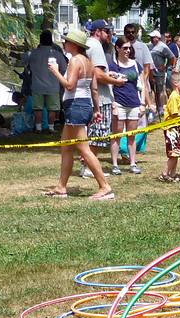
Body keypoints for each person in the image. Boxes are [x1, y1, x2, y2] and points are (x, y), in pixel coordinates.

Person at [44, 28, 114, 200]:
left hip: (75, 106)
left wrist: (55, 72)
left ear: (73, 44)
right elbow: (94, 89)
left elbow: (69, 85)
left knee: (84, 149)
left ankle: (105, 187)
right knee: (66, 147)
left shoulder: (75, 61)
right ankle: (61, 187)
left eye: (66, 41)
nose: (64, 44)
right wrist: (96, 109)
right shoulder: (89, 62)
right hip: (83, 106)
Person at [83, 20, 125, 177]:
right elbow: (98, 75)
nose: (110, 35)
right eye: (107, 31)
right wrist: (116, 82)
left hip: (90, 97)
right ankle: (88, 168)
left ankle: (87, 166)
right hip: (100, 99)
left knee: (92, 135)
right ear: (97, 32)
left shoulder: (88, 45)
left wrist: (109, 75)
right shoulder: (96, 46)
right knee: (97, 136)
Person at [109, 36, 153, 174]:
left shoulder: (135, 64)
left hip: (134, 103)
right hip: (119, 103)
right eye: (125, 48)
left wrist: (142, 103)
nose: (128, 50)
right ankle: (115, 164)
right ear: (117, 48)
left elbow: (142, 84)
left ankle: (132, 163)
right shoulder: (112, 65)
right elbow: (109, 86)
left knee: (131, 135)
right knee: (116, 135)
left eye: (129, 48)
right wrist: (113, 104)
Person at [25, 30, 67, 134]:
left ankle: (38, 127)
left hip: (37, 85)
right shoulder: (57, 54)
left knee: (37, 108)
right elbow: (64, 68)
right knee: (52, 109)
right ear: (51, 40)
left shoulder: (32, 54)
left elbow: (26, 66)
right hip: (53, 85)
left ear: (40, 40)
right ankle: (51, 128)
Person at [159, 72, 180, 182]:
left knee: (177, 152)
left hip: (178, 128)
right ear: (175, 83)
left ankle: (173, 174)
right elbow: (175, 114)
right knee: (173, 153)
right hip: (171, 128)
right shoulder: (174, 97)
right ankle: (164, 173)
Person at [148, 29, 176, 114]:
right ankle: (152, 108)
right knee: (150, 90)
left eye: (153, 37)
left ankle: (159, 107)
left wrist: (166, 66)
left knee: (158, 91)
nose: (151, 39)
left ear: (158, 38)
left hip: (159, 73)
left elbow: (172, 57)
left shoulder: (163, 46)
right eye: (151, 37)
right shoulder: (149, 46)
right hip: (150, 72)